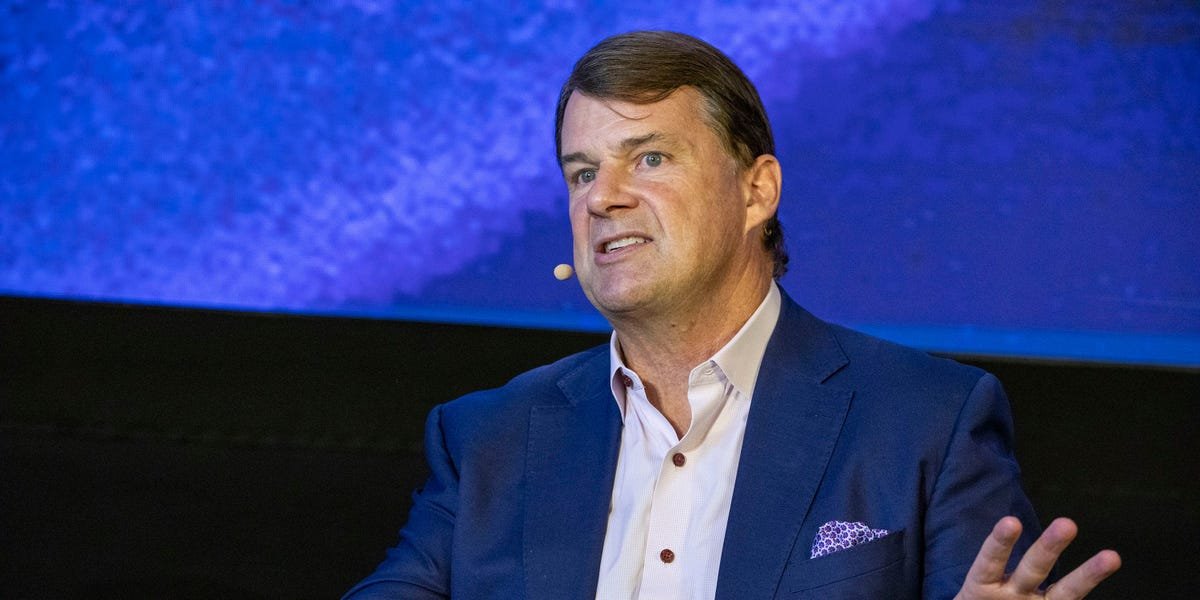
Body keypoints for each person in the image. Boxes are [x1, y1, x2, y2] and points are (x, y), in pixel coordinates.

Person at [344, 31, 1121, 599]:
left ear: (757, 191)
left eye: (649, 158)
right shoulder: (489, 438)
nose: (603, 196)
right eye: (581, 172)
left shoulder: (925, 423)